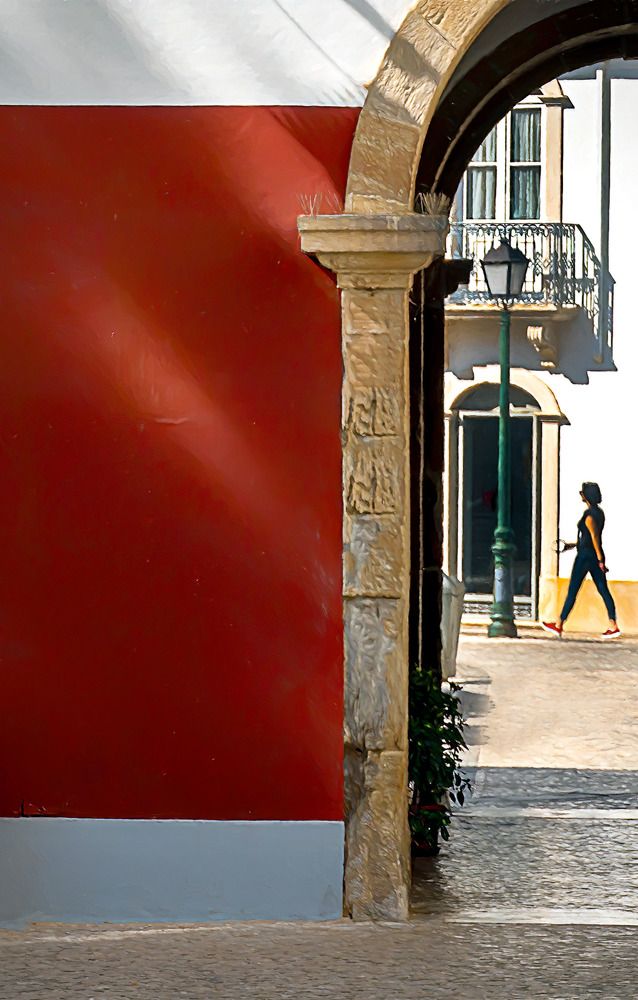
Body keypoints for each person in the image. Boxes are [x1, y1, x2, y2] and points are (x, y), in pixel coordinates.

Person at [542, 482, 621, 639]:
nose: (580, 494)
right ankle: (613, 625)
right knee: (603, 589)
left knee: (573, 590)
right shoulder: (599, 513)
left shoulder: (590, 515)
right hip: (590, 554)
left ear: (586, 495)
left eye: (582, 492)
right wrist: (573, 546)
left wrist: (600, 559)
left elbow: (594, 537)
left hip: (586, 556)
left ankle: (559, 624)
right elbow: (589, 539)